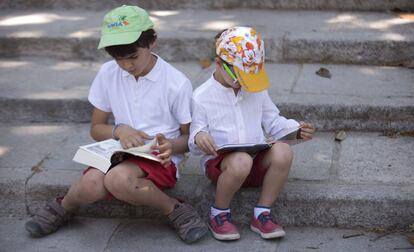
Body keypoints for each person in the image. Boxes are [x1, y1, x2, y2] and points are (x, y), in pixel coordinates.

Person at [25, 5, 207, 244]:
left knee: (117, 180)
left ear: (152, 41)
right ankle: (64, 206)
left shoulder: (176, 83)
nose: (126, 65)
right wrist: (119, 130)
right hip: (118, 152)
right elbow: (96, 128)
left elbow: (189, 139)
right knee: (90, 184)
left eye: (133, 57)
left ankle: (174, 209)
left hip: (159, 158)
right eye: (118, 58)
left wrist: (169, 146)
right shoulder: (108, 73)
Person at [189, 26, 315, 241]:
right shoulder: (201, 96)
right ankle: (218, 214)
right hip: (223, 167)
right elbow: (194, 138)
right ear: (219, 64)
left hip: (256, 162)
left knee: (283, 151)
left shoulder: (256, 90)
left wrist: (295, 130)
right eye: (241, 77)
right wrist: (200, 137)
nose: (245, 83)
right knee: (240, 161)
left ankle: (262, 213)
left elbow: (273, 122)